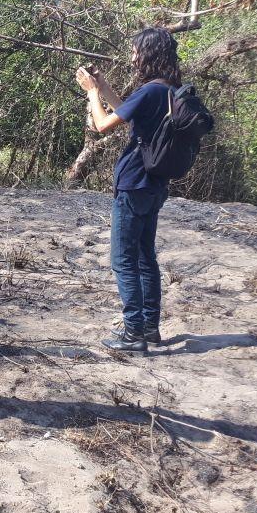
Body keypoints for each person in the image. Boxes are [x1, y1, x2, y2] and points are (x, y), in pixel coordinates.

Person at [76, 27, 181, 353]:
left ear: (148, 54)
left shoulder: (150, 91)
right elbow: (128, 115)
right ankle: (149, 328)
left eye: (137, 51)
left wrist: (92, 94)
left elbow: (103, 125)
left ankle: (133, 332)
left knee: (123, 260)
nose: (133, 56)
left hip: (134, 184)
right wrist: (104, 86)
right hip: (154, 185)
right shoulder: (167, 90)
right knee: (145, 256)